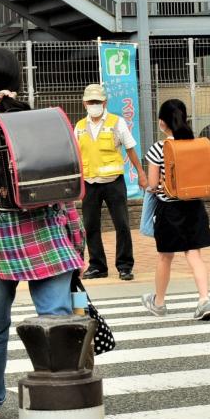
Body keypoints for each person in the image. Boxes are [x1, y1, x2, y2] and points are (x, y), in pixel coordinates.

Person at [0, 48, 85, 419]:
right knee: (56, 319)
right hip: (49, 239)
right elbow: (67, 187)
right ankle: (60, 397)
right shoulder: (44, 121)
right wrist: (76, 239)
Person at [142, 99, 210, 320]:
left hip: (169, 210)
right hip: (194, 206)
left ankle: (159, 303)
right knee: (194, 254)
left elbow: (152, 185)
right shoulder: (198, 144)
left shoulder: (159, 148)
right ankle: (204, 299)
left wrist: (148, 185)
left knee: (165, 257)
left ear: (162, 123)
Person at [74, 83, 147, 281]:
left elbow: (131, 148)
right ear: (84, 104)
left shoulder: (117, 122)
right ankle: (97, 266)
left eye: (98, 101)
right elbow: (76, 156)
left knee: (122, 224)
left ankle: (124, 265)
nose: (94, 104)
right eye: (91, 102)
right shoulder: (79, 127)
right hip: (89, 183)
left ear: (105, 102)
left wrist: (141, 173)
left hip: (113, 182)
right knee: (91, 226)